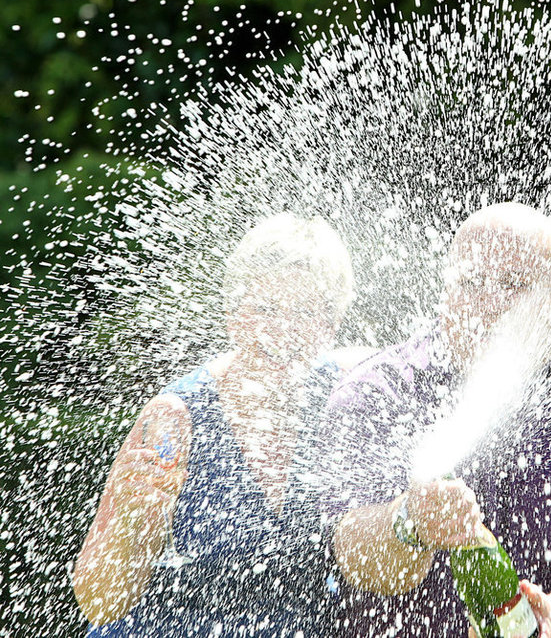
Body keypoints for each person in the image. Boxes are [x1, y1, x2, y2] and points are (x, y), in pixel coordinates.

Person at [324, 203, 551, 637]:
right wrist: (408, 521)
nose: (488, 304)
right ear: (445, 289)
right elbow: (352, 557)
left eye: (514, 285)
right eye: (470, 282)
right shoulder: (381, 390)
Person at [72, 213, 364, 636]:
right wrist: (131, 523)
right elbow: (100, 602)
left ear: (332, 324)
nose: (281, 329)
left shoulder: (346, 397)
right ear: (231, 311)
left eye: (305, 312)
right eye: (263, 308)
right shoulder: (173, 419)